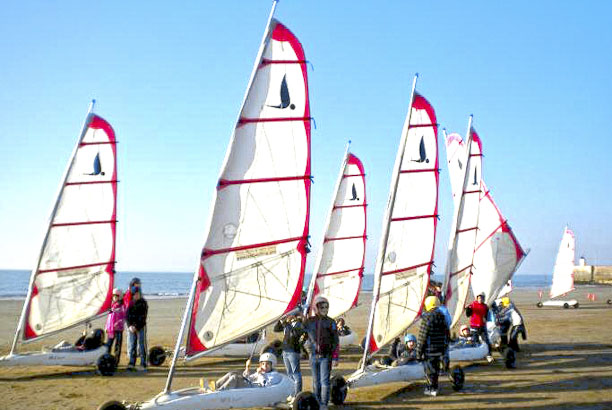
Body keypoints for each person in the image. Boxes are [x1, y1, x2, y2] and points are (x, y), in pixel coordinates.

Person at [303, 296, 339, 408]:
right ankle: (316, 402)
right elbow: (302, 335)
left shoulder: (331, 322)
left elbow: (336, 341)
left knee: (324, 382)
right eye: (322, 307)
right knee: (315, 382)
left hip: (326, 356)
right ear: (316, 308)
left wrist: (335, 357)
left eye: (326, 307)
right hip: (313, 356)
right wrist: (306, 346)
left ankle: (324, 404)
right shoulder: (309, 322)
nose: (324, 309)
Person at [416, 296, 450, 397]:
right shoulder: (442, 316)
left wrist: (418, 352)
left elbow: (422, 336)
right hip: (440, 349)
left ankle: (431, 388)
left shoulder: (427, 317)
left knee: (429, 370)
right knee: (435, 369)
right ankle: (434, 387)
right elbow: (446, 333)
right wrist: (444, 348)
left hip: (429, 349)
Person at [274, 313, 305, 399]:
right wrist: (280, 321)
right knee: (289, 373)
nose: (288, 317)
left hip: (293, 351)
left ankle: (298, 395)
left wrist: (286, 323)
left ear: (294, 316)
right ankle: (292, 393)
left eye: (289, 315)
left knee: (296, 373)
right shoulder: (288, 324)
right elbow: (276, 329)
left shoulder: (299, 324)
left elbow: (294, 334)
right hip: (285, 350)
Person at [214, 352, 283, 391]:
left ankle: (220, 391)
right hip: (249, 384)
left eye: (267, 364)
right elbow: (248, 378)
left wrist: (260, 374)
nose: (264, 366)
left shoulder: (275, 375)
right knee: (231, 373)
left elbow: (266, 386)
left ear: (272, 365)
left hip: (254, 389)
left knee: (234, 377)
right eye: (263, 364)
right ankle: (215, 386)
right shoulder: (261, 372)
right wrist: (247, 368)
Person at [466, 292, 493, 362]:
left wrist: (486, 319)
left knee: (486, 341)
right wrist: (468, 309)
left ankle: (489, 355)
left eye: (481, 298)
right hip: (474, 326)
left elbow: (487, 316)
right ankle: (475, 355)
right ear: (477, 298)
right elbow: (468, 314)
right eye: (479, 298)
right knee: (475, 340)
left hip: (482, 326)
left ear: (483, 299)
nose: (480, 299)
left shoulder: (485, 306)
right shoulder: (473, 305)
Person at [126, 289, 148, 371]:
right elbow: (127, 316)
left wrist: (136, 326)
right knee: (132, 345)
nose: (136, 296)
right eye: (135, 294)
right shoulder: (131, 303)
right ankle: (132, 362)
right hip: (131, 328)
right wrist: (130, 326)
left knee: (142, 345)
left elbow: (143, 317)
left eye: (138, 294)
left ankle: (143, 362)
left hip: (141, 327)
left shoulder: (143, 303)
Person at [105, 288, 126, 363]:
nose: (115, 298)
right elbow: (109, 318)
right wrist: (106, 327)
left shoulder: (122, 306)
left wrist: (118, 323)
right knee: (108, 344)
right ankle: (107, 359)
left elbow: (123, 317)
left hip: (118, 329)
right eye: (113, 296)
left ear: (120, 297)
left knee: (118, 346)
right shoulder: (112, 306)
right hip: (111, 329)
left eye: (116, 296)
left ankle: (116, 361)